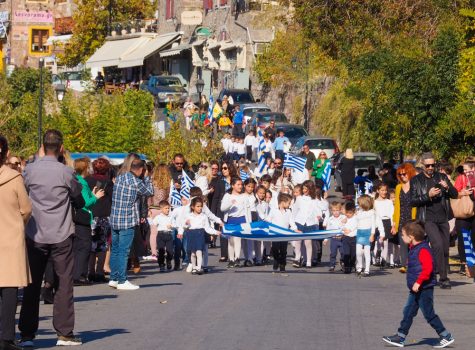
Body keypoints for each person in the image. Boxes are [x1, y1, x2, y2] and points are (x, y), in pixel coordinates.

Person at [20, 130, 85, 347]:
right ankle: (64, 332)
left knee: (32, 283)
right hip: (61, 233)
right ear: (61, 147)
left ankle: (27, 334)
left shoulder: (29, 171)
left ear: (43, 146)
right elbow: (79, 199)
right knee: (64, 283)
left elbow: (23, 195)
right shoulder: (66, 172)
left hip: (35, 233)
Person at [382, 220, 455, 348]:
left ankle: (445, 335)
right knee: (408, 311)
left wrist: (418, 282)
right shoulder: (415, 248)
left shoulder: (423, 250)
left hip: (424, 288)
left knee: (429, 314)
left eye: (403, 235)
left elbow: (428, 269)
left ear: (411, 237)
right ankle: (400, 337)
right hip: (416, 289)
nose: (402, 237)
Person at [0, 135, 32, 350]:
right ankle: (6, 338)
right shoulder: (13, 177)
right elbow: (26, 208)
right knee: (10, 292)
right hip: (9, 239)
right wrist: (16, 223)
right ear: (7, 153)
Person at [410, 152, 458, 289]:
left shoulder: (441, 177)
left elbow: (455, 194)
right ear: (423, 165)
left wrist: (447, 187)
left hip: (443, 218)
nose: (431, 167)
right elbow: (413, 201)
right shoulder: (416, 180)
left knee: (444, 248)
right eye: (428, 165)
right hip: (427, 219)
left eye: (433, 165)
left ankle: (433, 272)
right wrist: (428, 195)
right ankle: (443, 278)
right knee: (437, 245)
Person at [109, 156, 153, 291]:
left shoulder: (121, 177)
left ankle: (114, 278)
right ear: (140, 170)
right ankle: (122, 280)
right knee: (124, 251)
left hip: (115, 218)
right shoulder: (135, 181)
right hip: (127, 220)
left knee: (115, 250)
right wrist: (146, 178)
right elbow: (150, 191)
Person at [72, 157, 105, 285]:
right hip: (83, 218)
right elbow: (85, 204)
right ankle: (79, 276)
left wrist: (91, 194)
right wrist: (96, 197)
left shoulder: (77, 180)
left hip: (79, 218)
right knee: (84, 247)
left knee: (80, 247)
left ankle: (78, 274)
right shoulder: (81, 182)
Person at [182, 197, 221, 275]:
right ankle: (194, 267)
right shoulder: (189, 216)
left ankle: (199, 268)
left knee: (199, 252)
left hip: (200, 234)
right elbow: (183, 226)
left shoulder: (204, 216)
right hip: (191, 234)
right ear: (193, 207)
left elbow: (207, 228)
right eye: (198, 206)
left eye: (201, 206)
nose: (200, 208)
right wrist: (186, 224)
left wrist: (215, 232)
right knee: (193, 253)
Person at [221, 178, 251, 268]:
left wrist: (249, 223)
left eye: (241, 185)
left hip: (241, 220)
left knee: (238, 239)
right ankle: (231, 259)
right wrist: (230, 203)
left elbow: (248, 210)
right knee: (231, 241)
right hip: (231, 219)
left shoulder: (244, 196)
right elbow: (222, 208)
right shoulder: (227, 196)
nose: (240, 186)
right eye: (238, 184)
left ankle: (237, 258)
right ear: (233, 185)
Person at [393, 163, 417, 273]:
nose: (402, 176)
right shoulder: (398, 187)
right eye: (400, 174)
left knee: (413, 243)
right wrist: (394, 223)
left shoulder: (416, 186)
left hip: (412, 219)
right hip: (401, 218)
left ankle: (412, 264)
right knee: (403, 243)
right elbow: (397, 207)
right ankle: (404, 265)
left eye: (404, 174)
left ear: (410, 173)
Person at [266, 193, 298, 272]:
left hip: (284, 234)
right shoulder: (274, 210)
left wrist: (295, 229)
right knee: (275, 249)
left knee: (283, 250)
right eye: (288, 203)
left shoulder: (288, 212)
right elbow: (268, 220)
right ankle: (276, 261)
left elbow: (291, 222)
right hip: (275, 234)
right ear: (283, 202)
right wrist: (266, 227)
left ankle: (282, 264)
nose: (289, 205)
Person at [453, 160, 475, 275]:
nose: (465, 172)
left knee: (473, 238)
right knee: (462, 238)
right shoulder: (461, 178)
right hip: (463, 213)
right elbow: (454, 193)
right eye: (464, 170)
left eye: (467, 169)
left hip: (474, 212)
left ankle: (473, 264)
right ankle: (464, 264)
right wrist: (463, 192)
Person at [292, 180, 320, 268]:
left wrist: (318, 217)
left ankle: (308, 261)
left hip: (310, 224)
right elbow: (294, 211)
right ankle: (297, 258)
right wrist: (293, 225)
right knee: (298, 242)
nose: (304, 190)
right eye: (303, 188)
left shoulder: (314, 199)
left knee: (308, 243)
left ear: (310, 189)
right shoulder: (299, 198)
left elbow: (317, 210)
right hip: (300, 222)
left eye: (306, 189)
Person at [374, 183, 397, 268]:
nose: (384, 192)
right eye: (382, 190)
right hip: (378, 222)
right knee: (379, 240)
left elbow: (392, 214)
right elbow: (375, 214)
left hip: (387, 222)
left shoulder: (389, 202)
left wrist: (393, 225)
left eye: (385, 190)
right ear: (378, 191)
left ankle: (384, 259)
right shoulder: (375, 202)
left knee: (386, 242)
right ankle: (378, 255)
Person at [355, 195, 376, 277]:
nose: (358, 205)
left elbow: (373, 225)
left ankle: (367, 269)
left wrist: (372, 234)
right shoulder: (359, 212)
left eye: (359, 203)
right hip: (359, 232)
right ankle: (359, 267)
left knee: (367, 253)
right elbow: (355, 222)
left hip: (368, 233)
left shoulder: (372, 213)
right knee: (358, 252)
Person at [152, 200, 174, 272]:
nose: (168, 210)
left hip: (169, 235)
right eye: (166, 208)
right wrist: (150, 217)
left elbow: (175, 224)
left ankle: (168, 261)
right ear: (161, 209)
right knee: (161, 251)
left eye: (168, 208)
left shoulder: (171, 217)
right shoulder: (158, 217)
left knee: (170, 251)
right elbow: (153, 223)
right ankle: (161, 264)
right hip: (161, 235)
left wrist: (171, 226)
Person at [323, 202, 346, 272]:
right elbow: (328, 230)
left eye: (337, 210)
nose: (335, 212)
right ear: (331, 211)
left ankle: (343, 263)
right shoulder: (330, 219)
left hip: (342, 238)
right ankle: (332, 265)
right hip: (334, 239)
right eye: (334, 211)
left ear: (340, 210)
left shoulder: (344, 217)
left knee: (343, 253)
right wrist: (326, 239)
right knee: (333, 253)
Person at [341, 200, 357, 274]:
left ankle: (352, 264)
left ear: (354, 212)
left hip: (354, 238)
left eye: (350, 213)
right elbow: (340, 226)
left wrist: (349, 229)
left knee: (353, 254)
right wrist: (343, 227)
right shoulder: (344, 218)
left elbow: (355, 225)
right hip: (346, 238)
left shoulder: (356, 218)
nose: (348, 214)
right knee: (346, 253)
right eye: (347, 212)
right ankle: (347, 266)